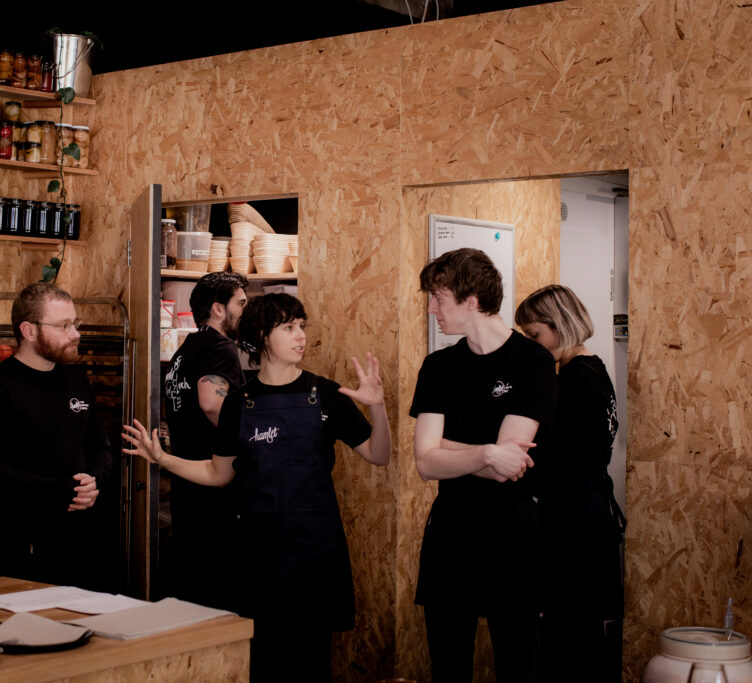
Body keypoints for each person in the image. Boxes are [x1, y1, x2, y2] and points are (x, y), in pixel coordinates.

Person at [125, 293, 391, 682]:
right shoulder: (238, 403)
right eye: (288, 327)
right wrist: (162, 459)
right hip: (256, 558)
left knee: (311, 665)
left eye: (302, 326)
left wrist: (378, 407)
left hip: (315, 555)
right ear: (262, 336)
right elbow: (219, 473)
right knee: (261, 663)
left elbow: (380, 454)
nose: (300, 336)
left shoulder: (327, 395)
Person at [410, 248, 557, 683]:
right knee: (448, 666)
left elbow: (509, 467)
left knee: (516, 665)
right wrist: (487, 451)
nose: (432, 309)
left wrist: (456, 452)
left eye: (439, 298)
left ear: (470, 299)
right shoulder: (438, 366)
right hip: (450, 536)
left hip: (512, 536)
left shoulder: (533, 362)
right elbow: (424, 462)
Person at [0, 282, 113, 588]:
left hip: (78, 539)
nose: (75, 334)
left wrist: (93, 480)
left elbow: (99, 446)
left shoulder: (76, 381)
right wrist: (59, 490)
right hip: (19, 546)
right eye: (63, 326)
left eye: (75, 323)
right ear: (29, 331)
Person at [515, 284, 625, 682]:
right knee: (580, 636)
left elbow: (567, 460)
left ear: (559, 326)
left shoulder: (576, 379)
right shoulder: (593, 370)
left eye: (535, 336)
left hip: (576, 525)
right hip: (589, 518)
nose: (534, 346)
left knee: (570, 641)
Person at [162, 271, 248, 610]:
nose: (245, 311)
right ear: (218, 309)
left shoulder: (185, 350)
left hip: (186, 484)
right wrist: (249, 441)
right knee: (218, 591)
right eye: (240, 304)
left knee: (193, 588)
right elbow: (212, 404)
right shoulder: (220, 346)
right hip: (214, 488)